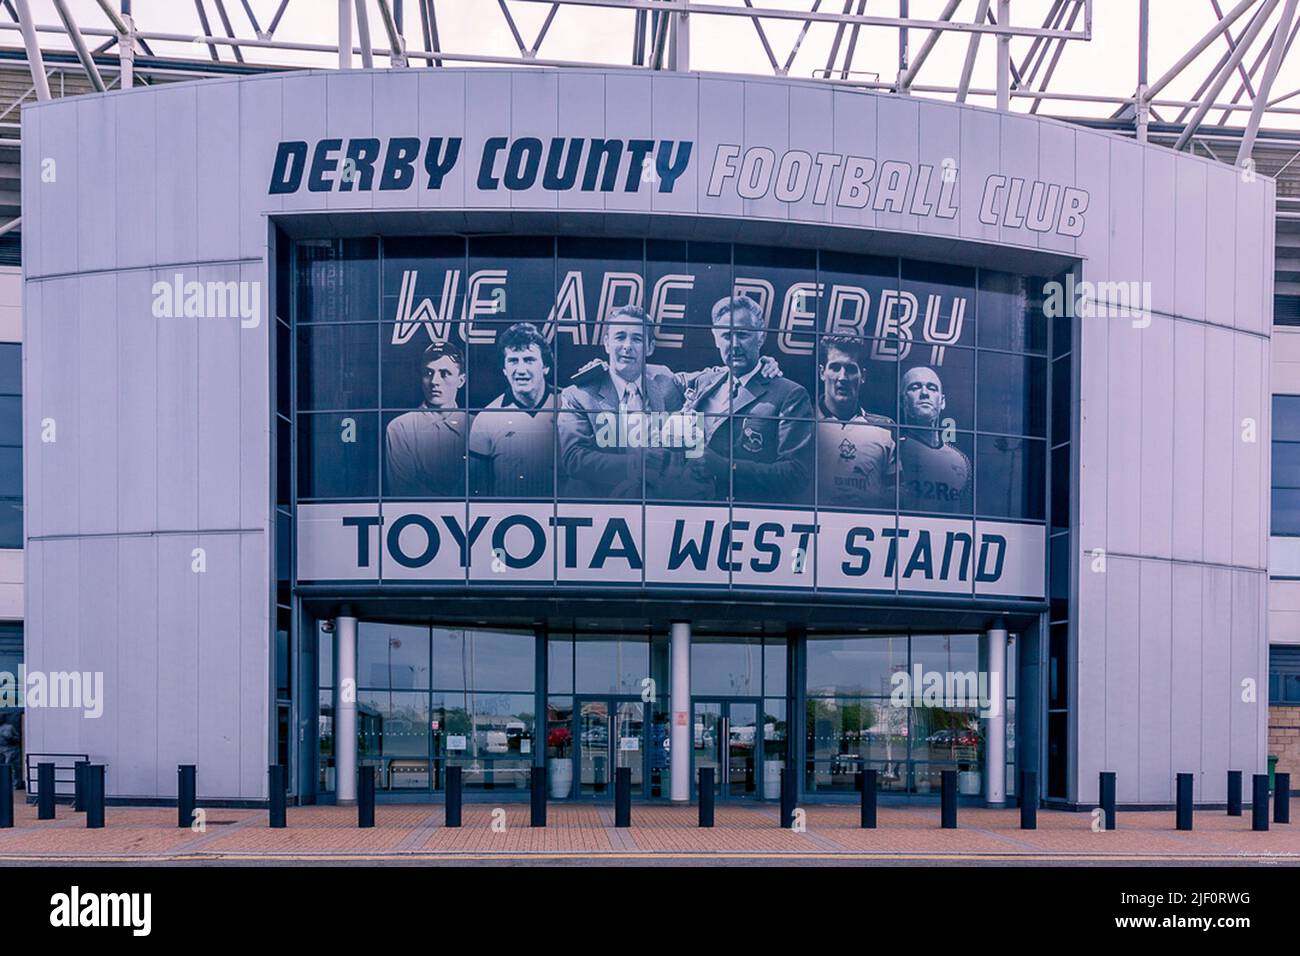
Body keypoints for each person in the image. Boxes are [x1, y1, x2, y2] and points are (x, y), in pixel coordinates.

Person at [673, 295, 813, 504]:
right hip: (693, 511)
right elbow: (654, 378)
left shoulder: (789, 394)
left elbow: (796, 474)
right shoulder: (704, 383)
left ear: (761, 337)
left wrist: (725, 466)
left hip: (747, 519)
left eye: (743, 335)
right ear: (715, 338)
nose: (735, 345)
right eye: (727, 336)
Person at [558, 305, 686, 498]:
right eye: (620, 337)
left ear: (650, 347)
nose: (627, 346)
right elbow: (573, 459)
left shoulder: (666, 384)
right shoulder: (578, 395)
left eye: (637, 339)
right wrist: (638, 463)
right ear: (607, 343)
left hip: (655, 507)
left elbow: (685, 450)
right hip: (597, 510)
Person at [468, 322, 557, 497]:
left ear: (545, 367)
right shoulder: (486, 419)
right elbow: (476, 490)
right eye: (513, 361)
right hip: (511, 522)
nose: (521, 369)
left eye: (529, 360)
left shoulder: (570, 405)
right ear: (504, 369)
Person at [815, 335, 897, 509]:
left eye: (851, 369)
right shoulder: (800, 421)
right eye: (835, 368)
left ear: (863, 376)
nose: (842, 377)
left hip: (865, 532)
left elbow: (900, 491)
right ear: (822, 372)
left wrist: (871, 500)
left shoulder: (885, 428)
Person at [385, 342, 468, 497]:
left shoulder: (478, 426)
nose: (435, 381)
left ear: (461, 381)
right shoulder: (400, 428)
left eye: (445, 373)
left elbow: (485, 488)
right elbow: (403, 492)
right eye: (428, 373)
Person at [897, 365, 971, 508]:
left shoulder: (961, 461)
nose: (924, 393)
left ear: (942, 401)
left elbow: (966, 511)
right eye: (915, 387)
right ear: (902, 401)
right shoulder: (893, 450)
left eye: (932, 388)